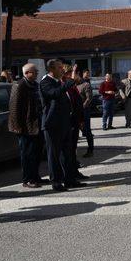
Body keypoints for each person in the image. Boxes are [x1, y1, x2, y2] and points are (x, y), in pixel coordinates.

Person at [39, 59, 86, 191]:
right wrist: (69, 82)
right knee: (54, 155)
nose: (62, 70)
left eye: (62, 67)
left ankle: (70, 179)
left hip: (65, 123)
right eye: (59, 68)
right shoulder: (46, 83)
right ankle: (56, 181)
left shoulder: (59, 81)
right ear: (52, 70)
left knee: (67, 153)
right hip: (52, 124)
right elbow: (54, 94)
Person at [7, 63, 43, 188]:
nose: (37, 73)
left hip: (36, 124)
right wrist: (17, 126)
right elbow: (14, 107)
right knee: (27, 154)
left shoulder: (35, 85)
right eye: (35, 71)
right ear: (27, 73)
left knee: (36, 153)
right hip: (25, 126)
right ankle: (27, 179)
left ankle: (36, 176)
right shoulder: (19, 85)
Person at [62, 65, 89, 181]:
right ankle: (69, 174)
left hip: (75, 121)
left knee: (73, 149)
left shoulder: (73, 87)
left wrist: (81, 120)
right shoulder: (63, 85)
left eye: (72, 73)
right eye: (69, 73)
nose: (73, 75)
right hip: (68, 122)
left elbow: (78, 103)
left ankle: (74, 172)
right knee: (68, 150)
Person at [77, 70, 95, 157]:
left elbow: (89, 98)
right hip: (74, 112)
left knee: (87, 131)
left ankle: (90, 149)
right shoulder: (71, 85)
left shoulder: (85, 85)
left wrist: (82, 107)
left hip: (84, 111)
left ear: (78, 75)